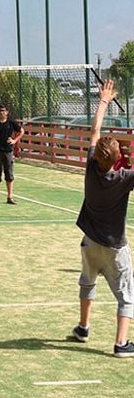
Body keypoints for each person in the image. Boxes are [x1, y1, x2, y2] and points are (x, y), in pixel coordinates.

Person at [70, 78, 134, 357]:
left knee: (87, 282)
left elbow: (95, 129)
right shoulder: (124, 178)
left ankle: (83, 327)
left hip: (90, 242)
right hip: (114, 246)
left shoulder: (90, 168)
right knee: (127, 296)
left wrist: (104, 101)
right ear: (118, 158)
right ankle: (121, 344)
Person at [0, 103, 23, 205]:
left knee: (9, 174)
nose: (1, 113)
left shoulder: (11, 123)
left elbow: (21, 131)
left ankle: (10, 196)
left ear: (7, 112)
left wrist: (15, 141)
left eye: (3, 110)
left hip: (8, 151)